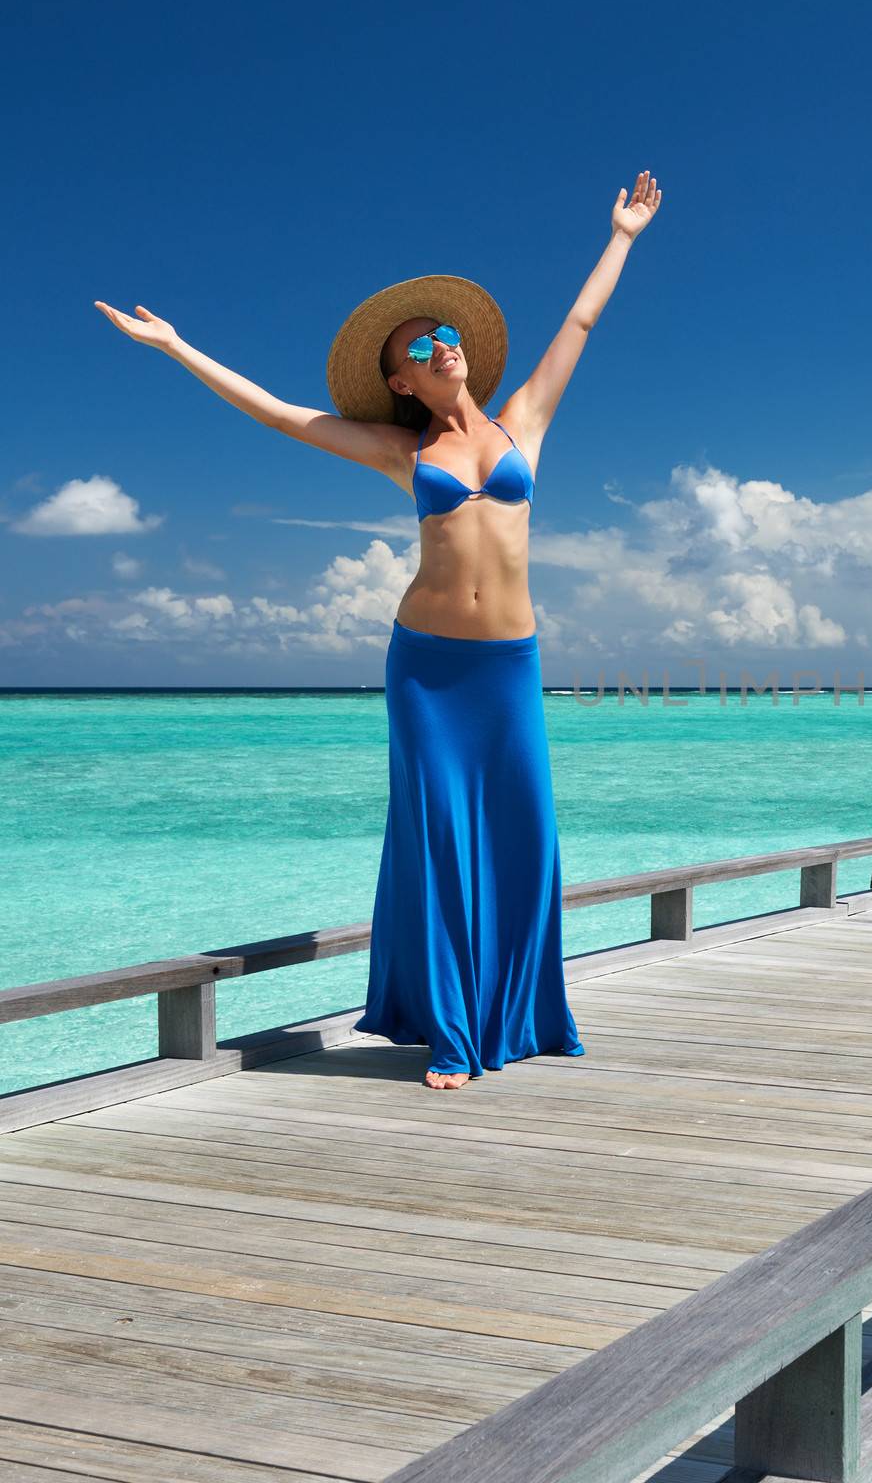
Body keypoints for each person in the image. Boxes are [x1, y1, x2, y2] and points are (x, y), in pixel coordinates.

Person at [95, 170, 664, 1089]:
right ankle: (450, 1034)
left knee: (525, 828)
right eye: (421, 346)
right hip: (429, 670)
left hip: (509, 667)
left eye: (447, 335)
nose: (442, 347)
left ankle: (521, 1013)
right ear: (398, 379)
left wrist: (623, 236)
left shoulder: (523, 426)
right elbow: (280, 414)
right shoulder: (405, 451)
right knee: (439, 836)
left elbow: (580, 327)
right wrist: (174, 345)